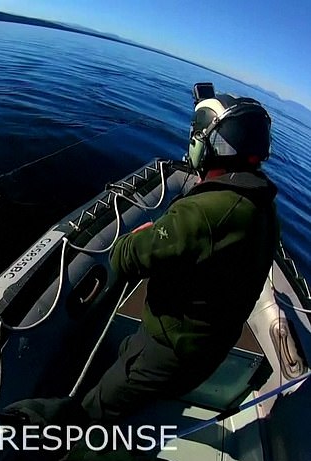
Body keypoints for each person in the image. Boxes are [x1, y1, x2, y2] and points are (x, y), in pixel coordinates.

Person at [81, 86, 280, 422]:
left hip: (164, 351)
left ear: (214, 144)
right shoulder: (263, 206)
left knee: (94, 411)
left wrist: (141, 235)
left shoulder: (204, 212)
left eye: (201, 130)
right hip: (205, 350)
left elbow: (124, 258)